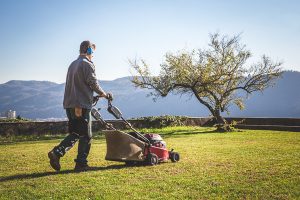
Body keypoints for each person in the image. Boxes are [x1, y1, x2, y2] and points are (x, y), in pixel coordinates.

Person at [48, 40, 112, 171]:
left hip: (70, 104)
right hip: (80, 105)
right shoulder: (87, 64)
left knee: (76, 132)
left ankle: (58, 153)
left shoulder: (72, 64)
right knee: (86, 135)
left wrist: (91, 97)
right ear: (89, 51)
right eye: (92, 52)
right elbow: (93, 83)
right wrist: (104, 94)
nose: (93, 55)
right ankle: (81, 163)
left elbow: (79, 85)